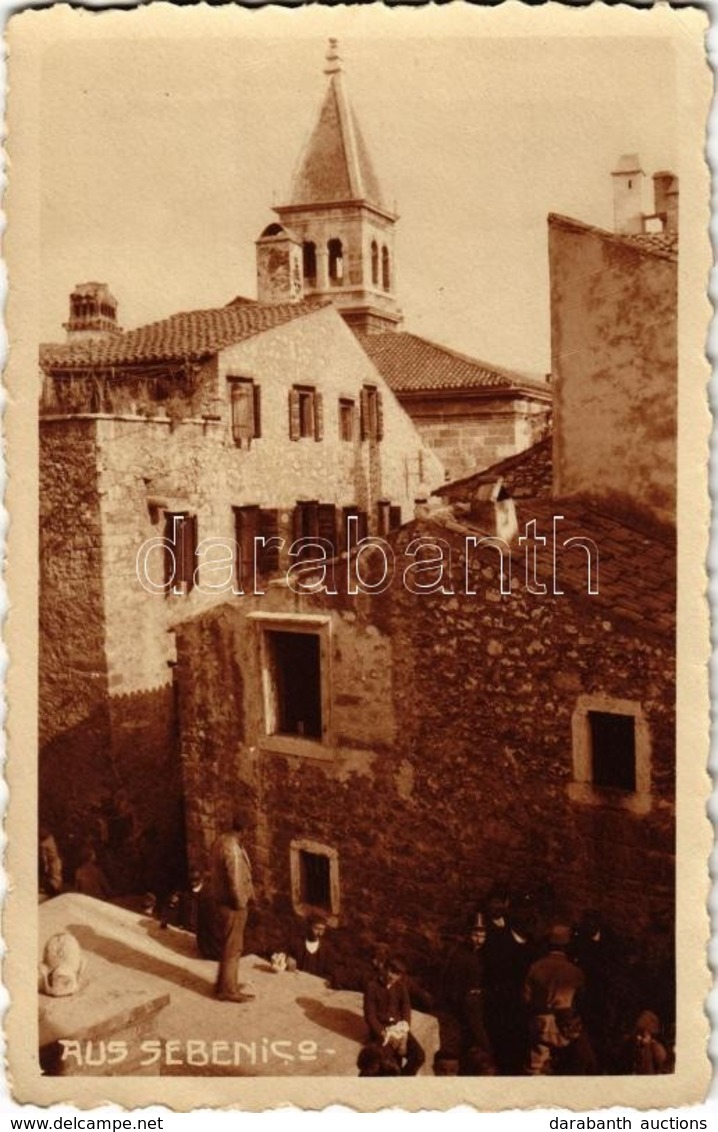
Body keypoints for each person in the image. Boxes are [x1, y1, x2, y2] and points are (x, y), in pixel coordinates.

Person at [523, 923, 596, 1075]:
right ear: (567, 947)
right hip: (566, 1025)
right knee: (580, 1061)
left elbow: (526, 998)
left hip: (540, 1022)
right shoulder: (575, 971)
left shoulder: (535, 967)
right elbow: (582, 999)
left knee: (536, 1068)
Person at [209, 809, 255, 1002]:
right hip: (232, 905)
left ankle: (225, 983)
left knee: (226, 944)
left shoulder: (220, 841)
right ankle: (229, 990)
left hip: (219, 901)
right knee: (233, 947)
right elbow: (235, 881)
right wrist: (241, 904)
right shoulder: (234, 850)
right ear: (244, 830)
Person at [363, 956, 425, 1075]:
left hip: (398, 1028)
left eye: (396, 974)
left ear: (400, 976)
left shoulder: (400, 987)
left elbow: (406, 1008)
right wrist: (386, 1035)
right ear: (384, 969)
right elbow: (370, 1016)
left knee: (419, 1056)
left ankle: (403, 1080)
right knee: (391, 1063)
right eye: (390, 971)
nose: (391, 976)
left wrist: (404, 1035)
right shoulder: (372, 987)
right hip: (383, 1030)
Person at [39, 827, 63, 897]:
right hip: (55, 861)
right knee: (56, 877)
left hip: (53, 862)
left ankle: (56, 891)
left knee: (55, 877)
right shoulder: (50, 839)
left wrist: (45, 867)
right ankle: (56, 891)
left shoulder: (44, 843)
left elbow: (44, 859)